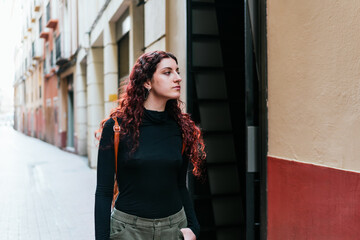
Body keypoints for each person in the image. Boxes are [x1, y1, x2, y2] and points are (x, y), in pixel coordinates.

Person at [94, 50, 206, 240]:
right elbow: (103, 192)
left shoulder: (181, 128)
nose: (178, 78)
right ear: (147, 82)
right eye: (167, 72)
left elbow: (180, 185)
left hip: (173, 228)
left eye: (177, 71)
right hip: (128, 230)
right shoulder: (116, 127)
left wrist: (194, 228)